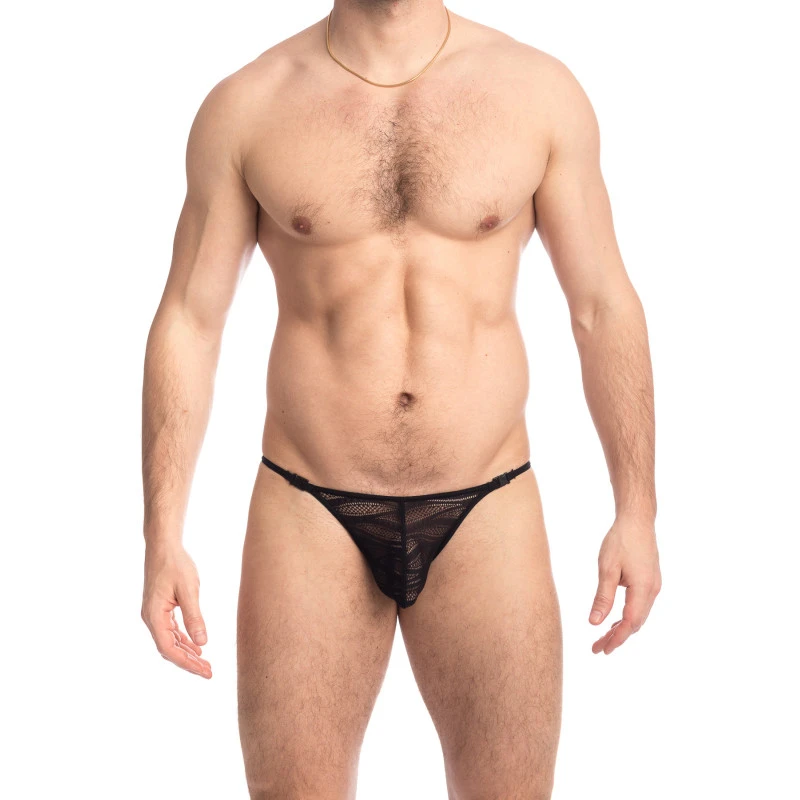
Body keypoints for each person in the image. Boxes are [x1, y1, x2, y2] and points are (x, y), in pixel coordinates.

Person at [140, 1, 662, 796]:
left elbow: (601, 305)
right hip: (308, 506)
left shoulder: (537, 92)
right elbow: (189, 320)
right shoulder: (249, 105)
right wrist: (162, 534)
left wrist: (638, 511)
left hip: (488, 500)